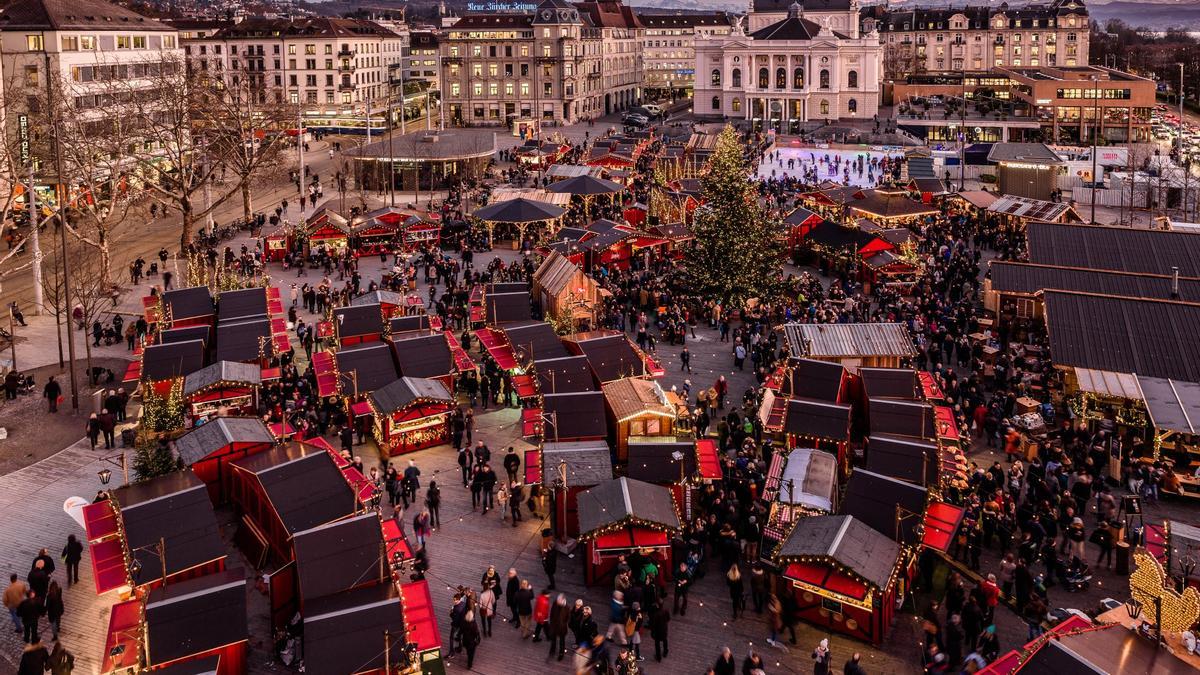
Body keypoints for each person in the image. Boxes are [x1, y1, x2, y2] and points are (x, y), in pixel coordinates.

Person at [548, 593, 570, 660]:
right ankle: (552, 650)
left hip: (562, 628)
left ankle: (561, 653)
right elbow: (552, 613)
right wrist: (551, 622)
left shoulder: (567, 607)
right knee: (553, 639)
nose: (557, 601)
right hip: (554, 626)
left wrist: (563, 624)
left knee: (562, 641)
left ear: (563, 600)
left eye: (559, 600)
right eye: (557, 600)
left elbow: (568, 618)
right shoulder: (555, 603)